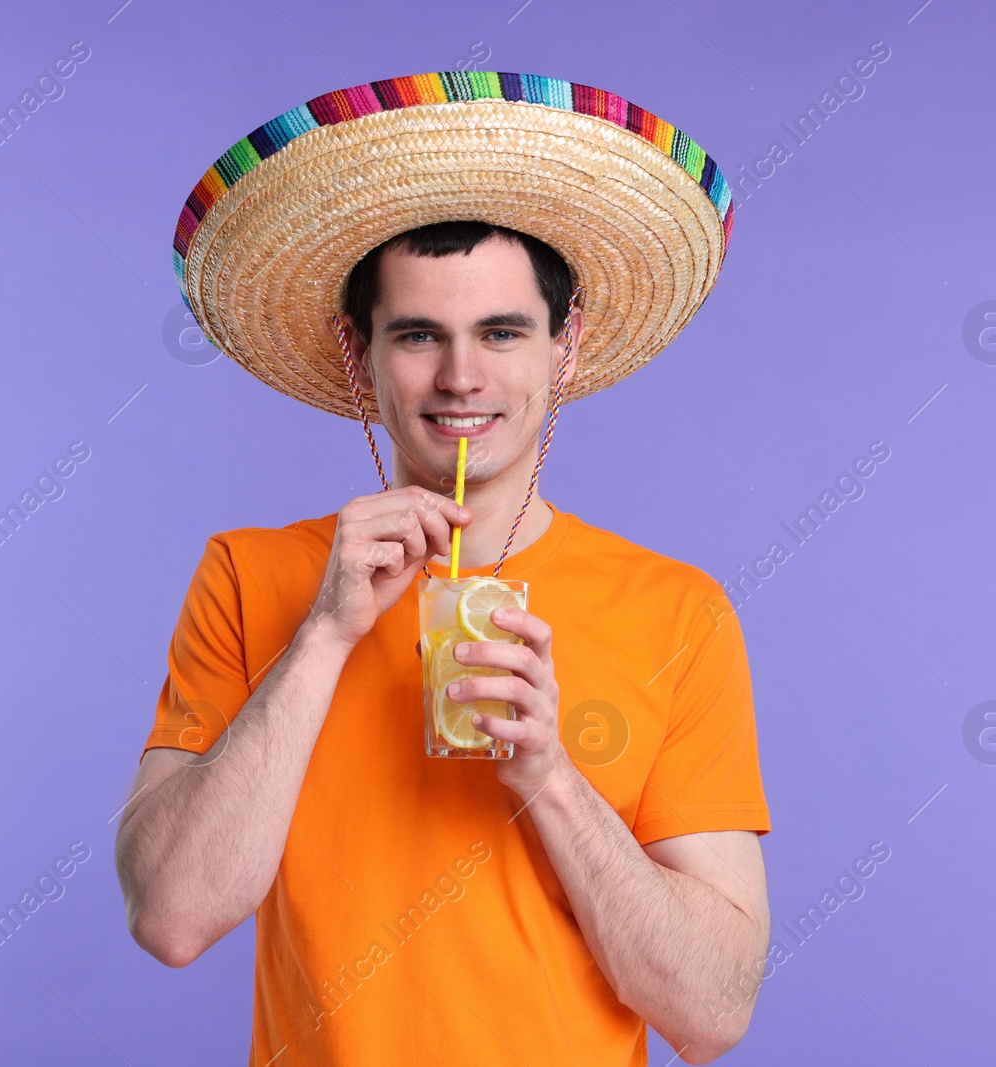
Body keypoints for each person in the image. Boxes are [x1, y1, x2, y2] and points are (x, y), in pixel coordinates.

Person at [117, 71, 771, 1066]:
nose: (461, 377)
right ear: (359, 351)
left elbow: (712, 1009)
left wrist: (550, 775)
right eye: (418, 334)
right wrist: (324, 635)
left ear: (566, 346)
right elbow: (171, 916)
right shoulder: (251, 576)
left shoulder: (678, 612)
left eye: (502, 332)